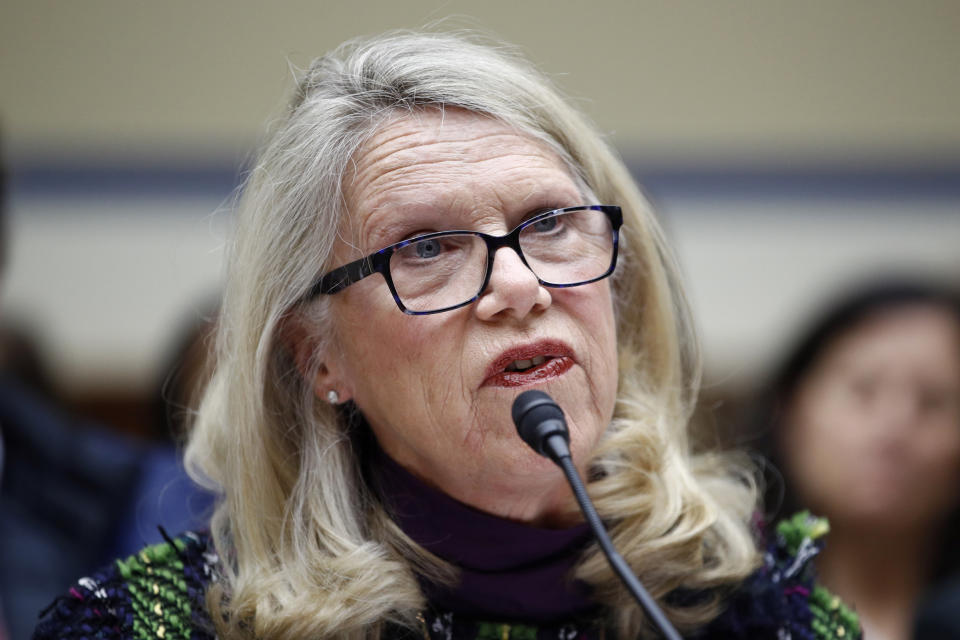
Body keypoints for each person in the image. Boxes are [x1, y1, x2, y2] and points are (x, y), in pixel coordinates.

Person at [34, 30, 860, 639]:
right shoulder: (154, 626)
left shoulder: (760, 611)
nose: (520, 285)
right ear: (317, 357)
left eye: (548, 223)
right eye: (425, 249)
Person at [746, 280, 960, 640]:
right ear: (788, 408)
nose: (893, 430)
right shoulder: (709, 606)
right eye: (863, 390)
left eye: (933, 401)